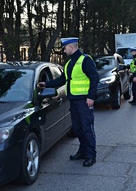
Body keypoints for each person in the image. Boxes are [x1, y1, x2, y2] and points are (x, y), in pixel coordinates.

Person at [38, 37, 99, 167]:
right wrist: (46, 84)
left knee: (87, 128)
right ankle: (82, 151)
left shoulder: (85, 60)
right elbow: (62, 80)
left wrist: (91, 97)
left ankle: (91, 155)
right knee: (77, 128)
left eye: (65, 48)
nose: (64, 50)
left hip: (84, 101)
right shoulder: (69, 63)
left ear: (71, 47)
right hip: (74, 101)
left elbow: (94, 78)